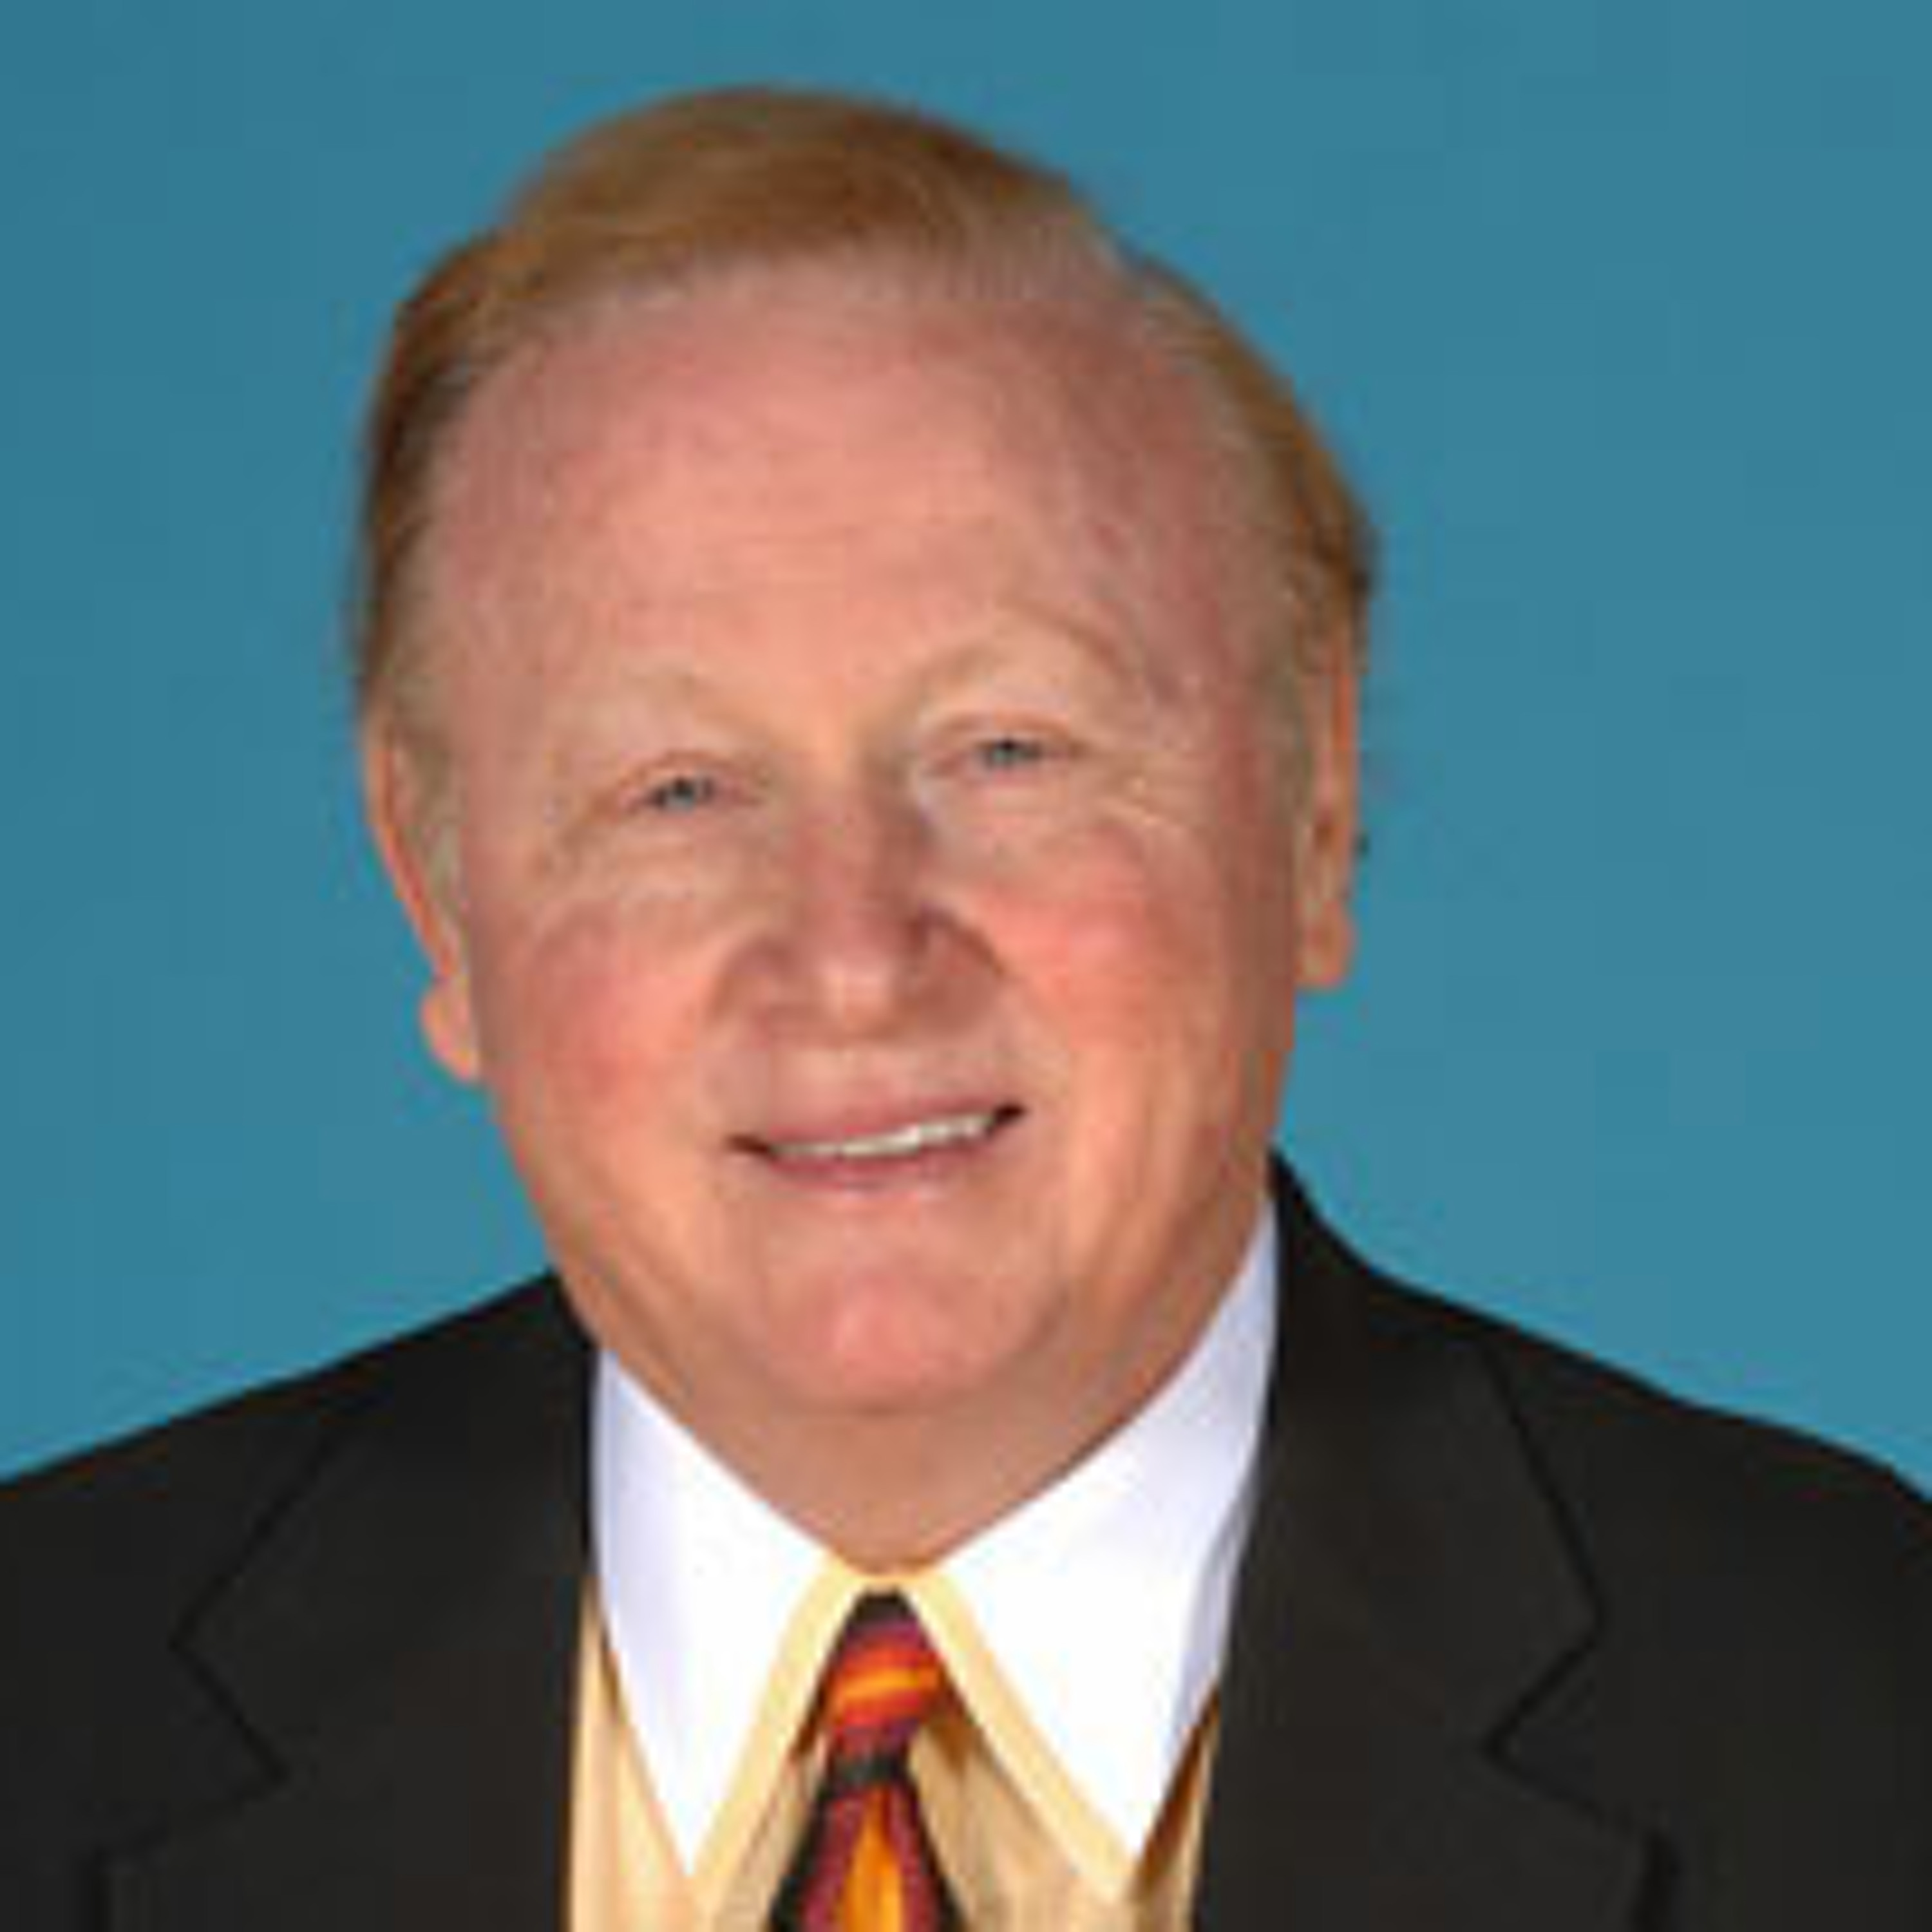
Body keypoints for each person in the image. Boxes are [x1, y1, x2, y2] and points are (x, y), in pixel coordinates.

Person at [2, 84, 1928, 1931]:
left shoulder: (1865, 1723)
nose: (853, 953)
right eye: (678, 791)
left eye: (1010, 749)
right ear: (437, 889)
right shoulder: (45, 1698)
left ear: (1314, 798)